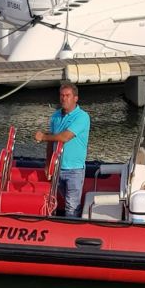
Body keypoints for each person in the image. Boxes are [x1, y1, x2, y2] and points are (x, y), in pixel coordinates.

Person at [35, 82, 91, 218]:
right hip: (57, 168)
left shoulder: (82, 117)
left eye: (67, 95)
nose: (64, 98)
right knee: (58, 201)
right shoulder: (55, 116)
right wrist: (48, 163)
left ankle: (71, 231)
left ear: (75, 98)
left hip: (74, 169)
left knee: (72, 207)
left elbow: (65, 137)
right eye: (62, 95)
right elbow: (51, 141)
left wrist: (43, 137)